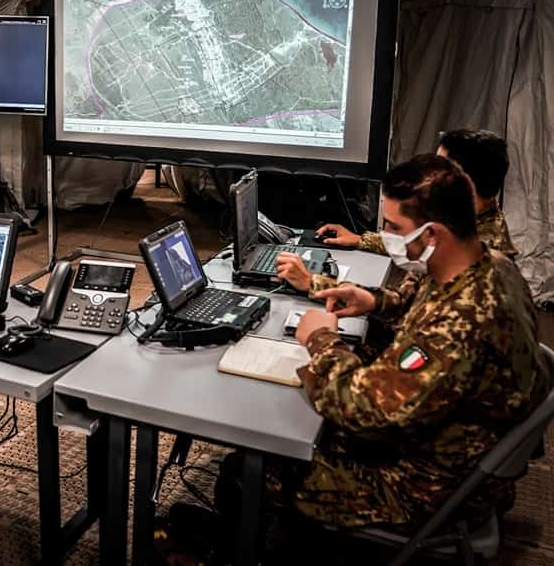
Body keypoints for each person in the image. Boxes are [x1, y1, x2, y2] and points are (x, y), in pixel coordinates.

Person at [214, 155, 550, 545]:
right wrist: (371, 301)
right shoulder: (488, 264)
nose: (384, 234)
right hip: (446, 443)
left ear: (433, 235)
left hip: (423, 487)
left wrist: (320, 339)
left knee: (254, 465)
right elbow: (417, 304)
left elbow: (363, 411)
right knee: (293, 420)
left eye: (394, 227)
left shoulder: (460, 323)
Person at [277, 128, 518, 293]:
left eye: (437, 169)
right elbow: (406, 299)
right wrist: (361, 240)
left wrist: (321, 335)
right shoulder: (466, 227)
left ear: (464, 183)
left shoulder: (474, 273)